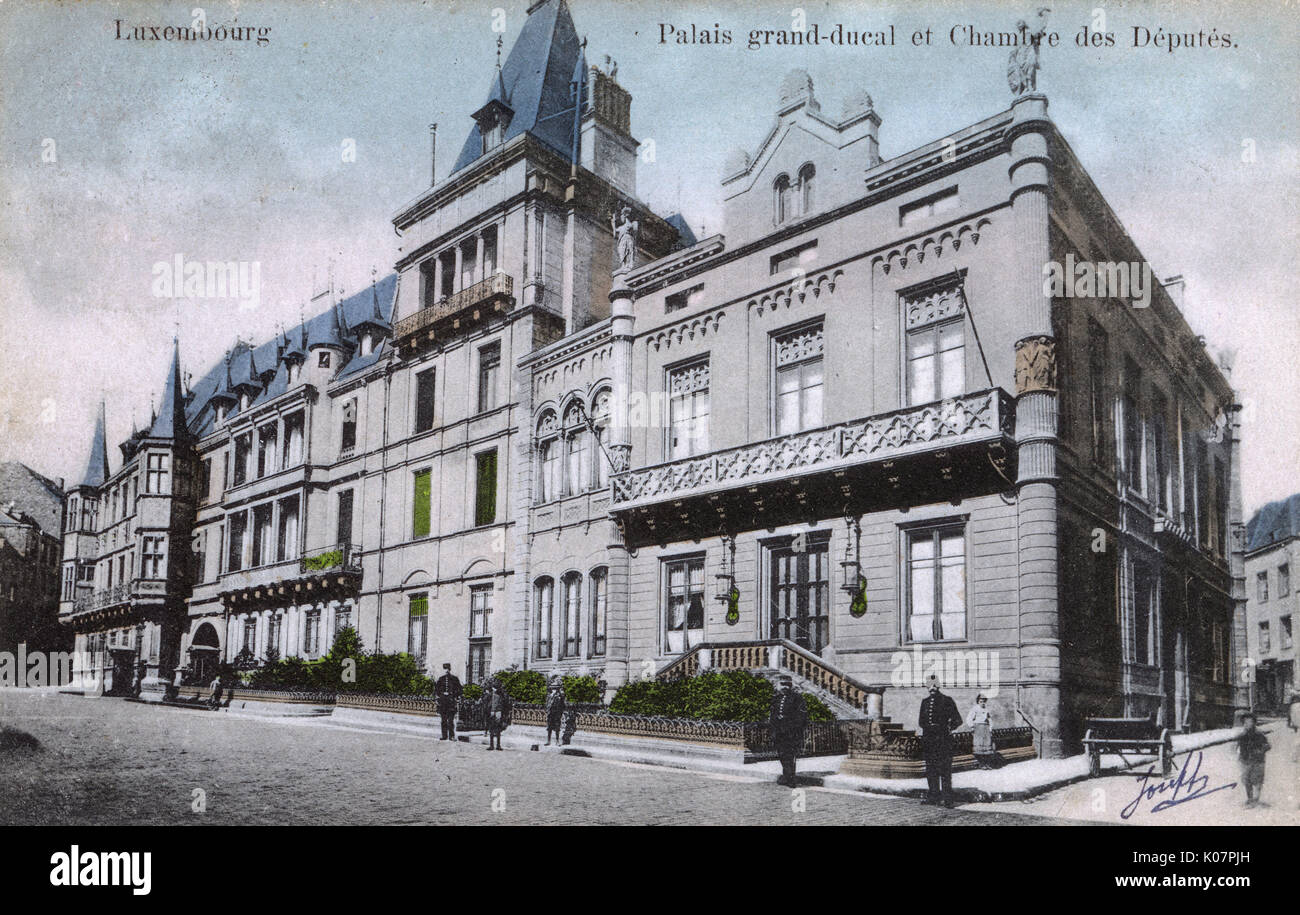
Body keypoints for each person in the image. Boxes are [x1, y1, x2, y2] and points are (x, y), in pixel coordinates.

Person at [918, 675, 963, 807]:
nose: (932, 688)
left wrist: (947, 728)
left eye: (934, 685)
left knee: (945, 770)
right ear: (927, 687)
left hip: (943, 740)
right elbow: (921, 721)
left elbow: (957, 720)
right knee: (931, 769)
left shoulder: (947, 700)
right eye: (929, 685)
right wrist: (929, 729)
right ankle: (933, 797)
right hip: (929, 741)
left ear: (938, 686)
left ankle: (948, 799)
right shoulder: (924, 702)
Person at [769, 675, 809, 787]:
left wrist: (793, 726)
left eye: (787, 685)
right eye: (782, 684)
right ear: (778, 685)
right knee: (781, 754)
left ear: (791, 686)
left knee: (790, 755)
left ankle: (790, 778)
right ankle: (786, 776)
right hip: (779, 731)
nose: (785, 687)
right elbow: (772, 715)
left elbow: (802, 716)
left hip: (791, 732)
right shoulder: (776, 698)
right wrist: (773, 728)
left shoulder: (797, 698)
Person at [1236, 712, 1271, 807]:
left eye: (1250, 722)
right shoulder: (1241, 736)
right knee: (1247, 780)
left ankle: (1256, 798)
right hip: (1245, 760)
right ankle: (1250, 798)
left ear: (1254, 723)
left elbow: (1267, 746)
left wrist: (1260, 751)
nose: (1247, 724)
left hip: (1258, 761)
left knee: (1258, 780)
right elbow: (1237, 747)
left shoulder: (1259, 735)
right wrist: (1239, 754)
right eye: (1245, 722)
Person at [434, 663, 463, 741]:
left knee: (450, 721)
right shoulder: (441, 679)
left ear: (449, 669)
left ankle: (451, 736)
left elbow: (460, 690)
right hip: (443, 703)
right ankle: (444, 736)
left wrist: (453, 695)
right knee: (443, 721)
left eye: (447, 669)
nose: (446, 670)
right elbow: (436, 690)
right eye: (444, 669)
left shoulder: (454, 679)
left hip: (451, 702)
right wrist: (441, 694)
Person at [967, 693, 995, 769]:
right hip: (978, 728)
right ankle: (981, 764)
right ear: (978, 701)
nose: (982, 703)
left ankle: (987, 764)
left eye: (984, 701)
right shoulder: (975, 709)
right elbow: (969, 718)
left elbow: (989, 719)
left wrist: (990, 728)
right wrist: (972, 726)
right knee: (979, 747)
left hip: (985, 728)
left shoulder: (986, 709)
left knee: (987, 747)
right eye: (980, 701)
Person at [483, 679, 512, 751]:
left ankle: (494, 745)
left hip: (496, 712)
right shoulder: (497, 694)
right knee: (494, 729)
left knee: (494, 729)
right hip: (496, 712)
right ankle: (495, 745)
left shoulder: (496, 694)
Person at [544, 677, 566, 746]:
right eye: (553, 688)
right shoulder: (549, 696)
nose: (554, 690)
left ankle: (557, 741)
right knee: (549, 727)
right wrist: (547, 711)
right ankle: (548, 741)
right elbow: (547, 704)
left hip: (557, 713)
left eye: (555, 689)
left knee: (557, 727)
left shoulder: (559, 696)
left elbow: (563, 703)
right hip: (550, 713)